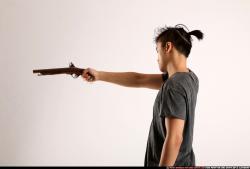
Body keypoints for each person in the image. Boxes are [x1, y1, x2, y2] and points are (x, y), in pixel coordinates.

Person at [81, 24, 204, 167]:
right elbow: (140, 79)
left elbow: (175, 138)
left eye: (157, 51)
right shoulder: (190, 78)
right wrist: (99, 75)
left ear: (167, 47)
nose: (157, 58)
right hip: (185, 162)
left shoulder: (174, 86)